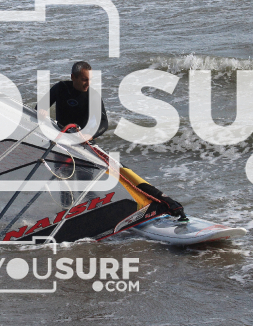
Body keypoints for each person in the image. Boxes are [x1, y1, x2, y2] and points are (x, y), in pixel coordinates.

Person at [45, 61, 187, 220]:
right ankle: (66, 218)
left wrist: (89, 135)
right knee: (65, 187)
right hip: (63, 145)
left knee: (86, 186)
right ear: (73, 77)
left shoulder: (92, 96)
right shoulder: (61, 88)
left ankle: (98, 216)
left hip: (84, 147)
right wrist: (44, 119)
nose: (88, 83)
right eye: (84, 79)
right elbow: (40, 109)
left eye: (90, 79)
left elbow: (104, 123)